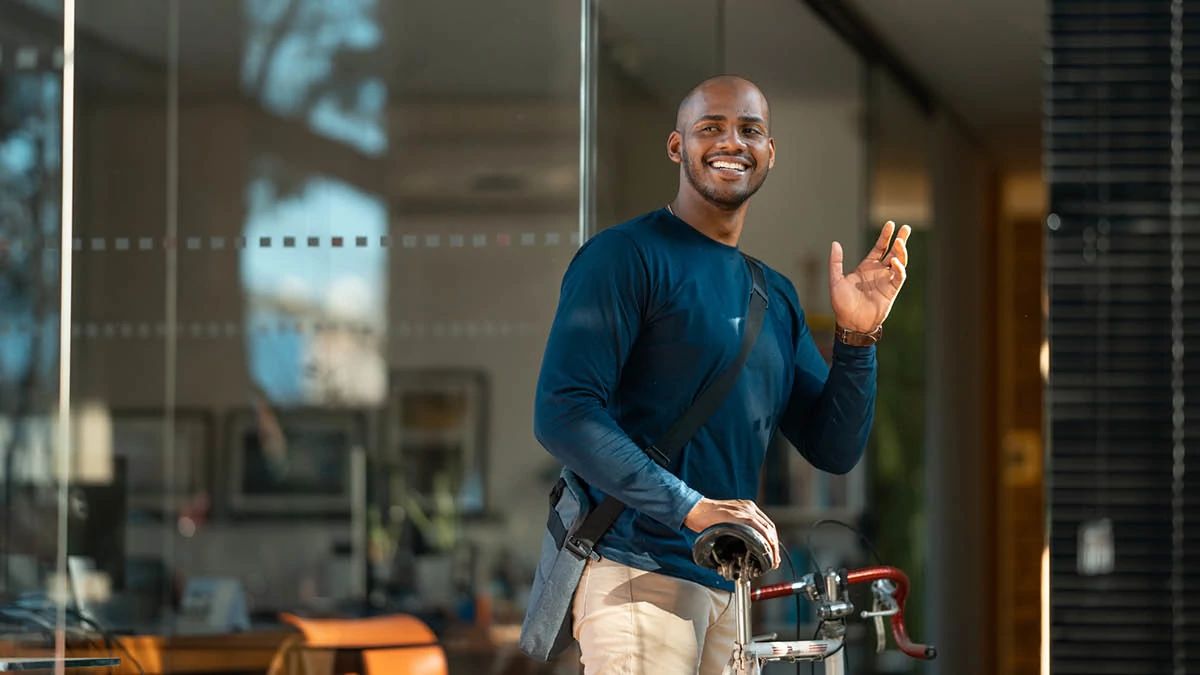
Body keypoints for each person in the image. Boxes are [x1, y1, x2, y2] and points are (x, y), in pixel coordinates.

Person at [532, 74, 911, 674]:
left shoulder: (773, 296)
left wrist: (857, 338)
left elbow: (834, 449)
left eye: (749, 130)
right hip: (637, 578)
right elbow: (563, 413)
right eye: (710, 127)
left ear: (769, 152)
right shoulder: (624, 257)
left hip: (727, 590)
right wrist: (693, 507)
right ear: (677, 146)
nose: (730, 142)